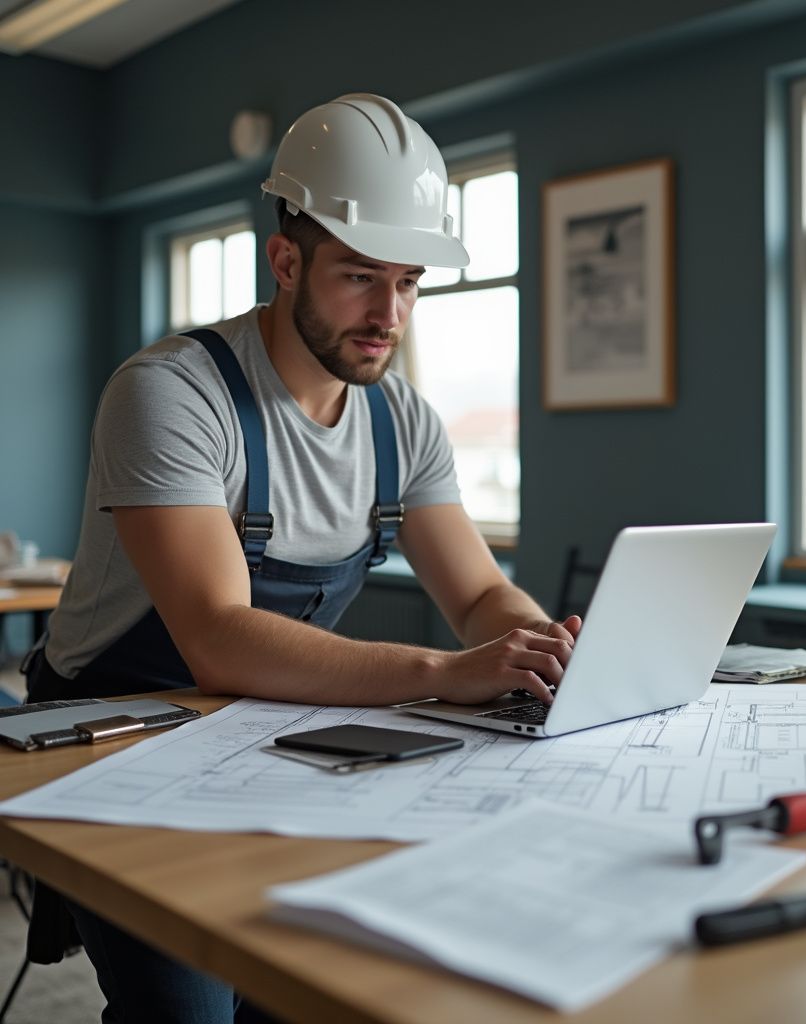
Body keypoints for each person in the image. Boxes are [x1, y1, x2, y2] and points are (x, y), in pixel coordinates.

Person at [22, 92, 581, 1023]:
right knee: (193, 1012)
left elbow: (480, 591)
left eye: (408, 283)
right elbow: (216, 636)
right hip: (109, 736)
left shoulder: (403, 421)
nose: (389, 313)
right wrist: (446, 672)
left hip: (260, 728)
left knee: (323, 981)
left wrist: (541, 646)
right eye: (361, 276)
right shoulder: (171, 394)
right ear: (286, 260)